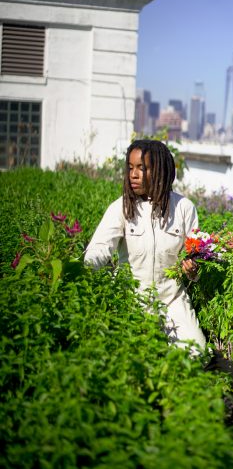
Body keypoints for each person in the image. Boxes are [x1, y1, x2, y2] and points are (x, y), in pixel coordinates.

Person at [84, 139, 206, 353]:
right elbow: (100, 247)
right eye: (130, 168)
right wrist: (85, 266)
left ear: (159, 170)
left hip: (171, 300)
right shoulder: (122, 207)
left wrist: (193, 270)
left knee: (197, 354)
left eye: (142, 168)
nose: (134, 174)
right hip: (129, 300)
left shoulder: (184, 208)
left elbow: (195, 258)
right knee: (122, 355)